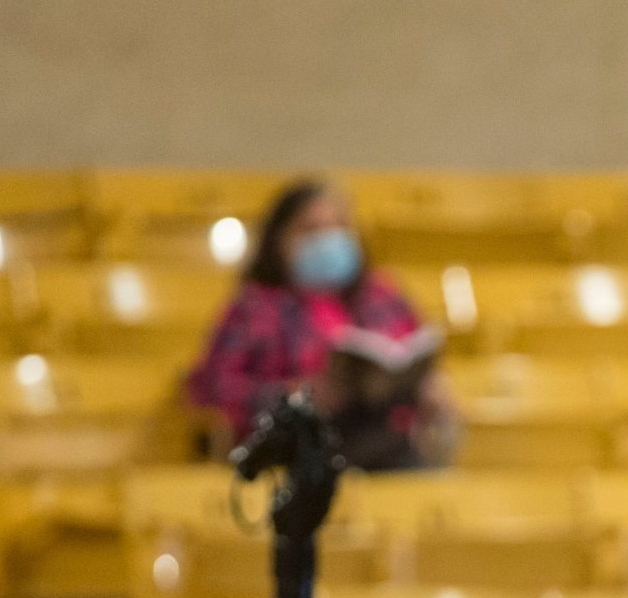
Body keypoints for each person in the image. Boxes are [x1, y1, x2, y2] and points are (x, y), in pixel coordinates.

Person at [185, 177, 454, 470]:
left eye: (338, 227)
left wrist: (430, 390)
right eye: (311, 230)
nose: (328, 240)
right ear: (279, 240)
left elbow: (411, 356)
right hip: (294, 450)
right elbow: (216, 388)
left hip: (385, 447)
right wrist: (295, 396)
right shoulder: (253, 308)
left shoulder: (382, 298)